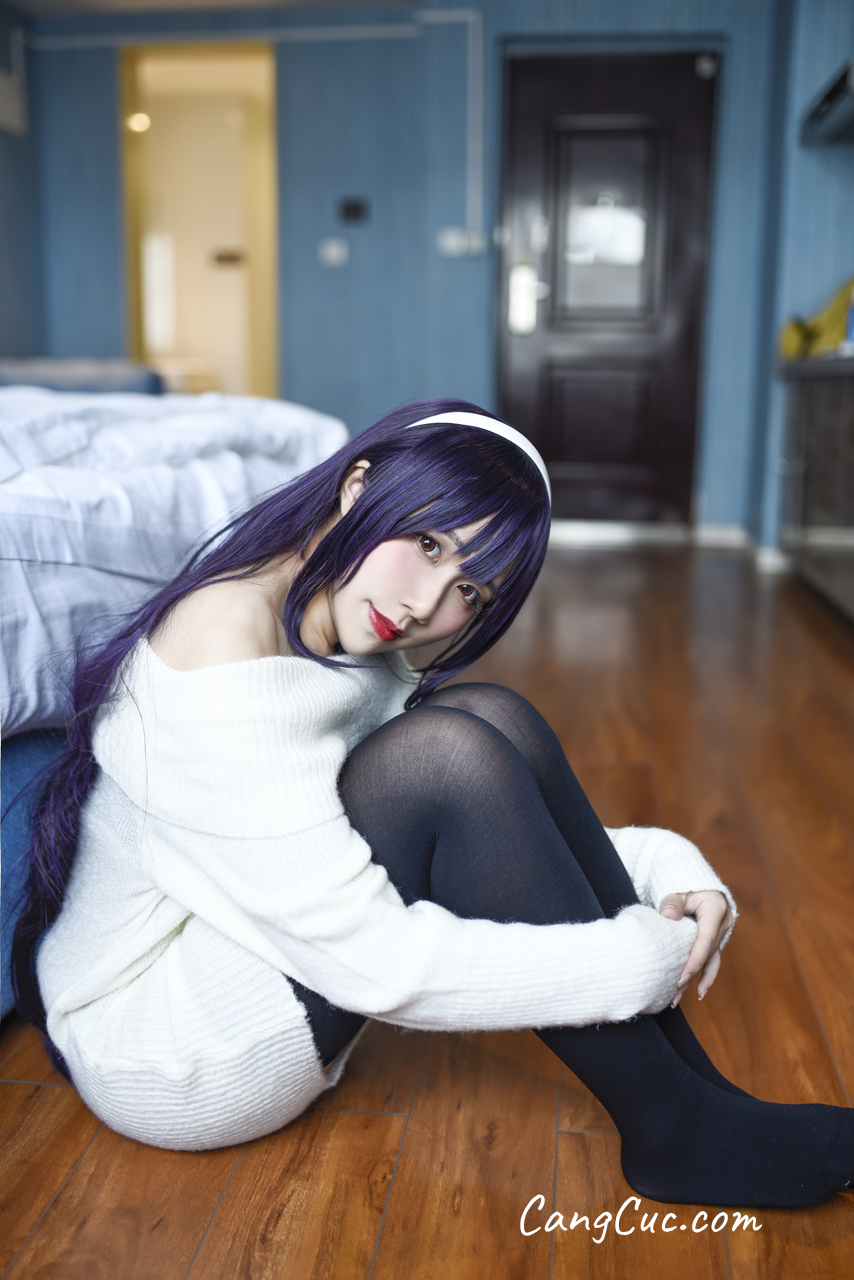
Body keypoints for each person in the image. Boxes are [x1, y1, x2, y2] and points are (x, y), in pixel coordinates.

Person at [10, 399, 854, 1208]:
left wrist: (665, 868)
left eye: (470, 592)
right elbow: (373, 964)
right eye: (426, 542)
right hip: (169, 1047)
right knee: (448, 755)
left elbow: (501, 839)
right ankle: (679, 1125)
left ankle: (695, 1101)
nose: (424, 604)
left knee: (492, 718)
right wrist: (634, 964)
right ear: (359, 486)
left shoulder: (351, 621)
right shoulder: (224, 638)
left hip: (253, 950)